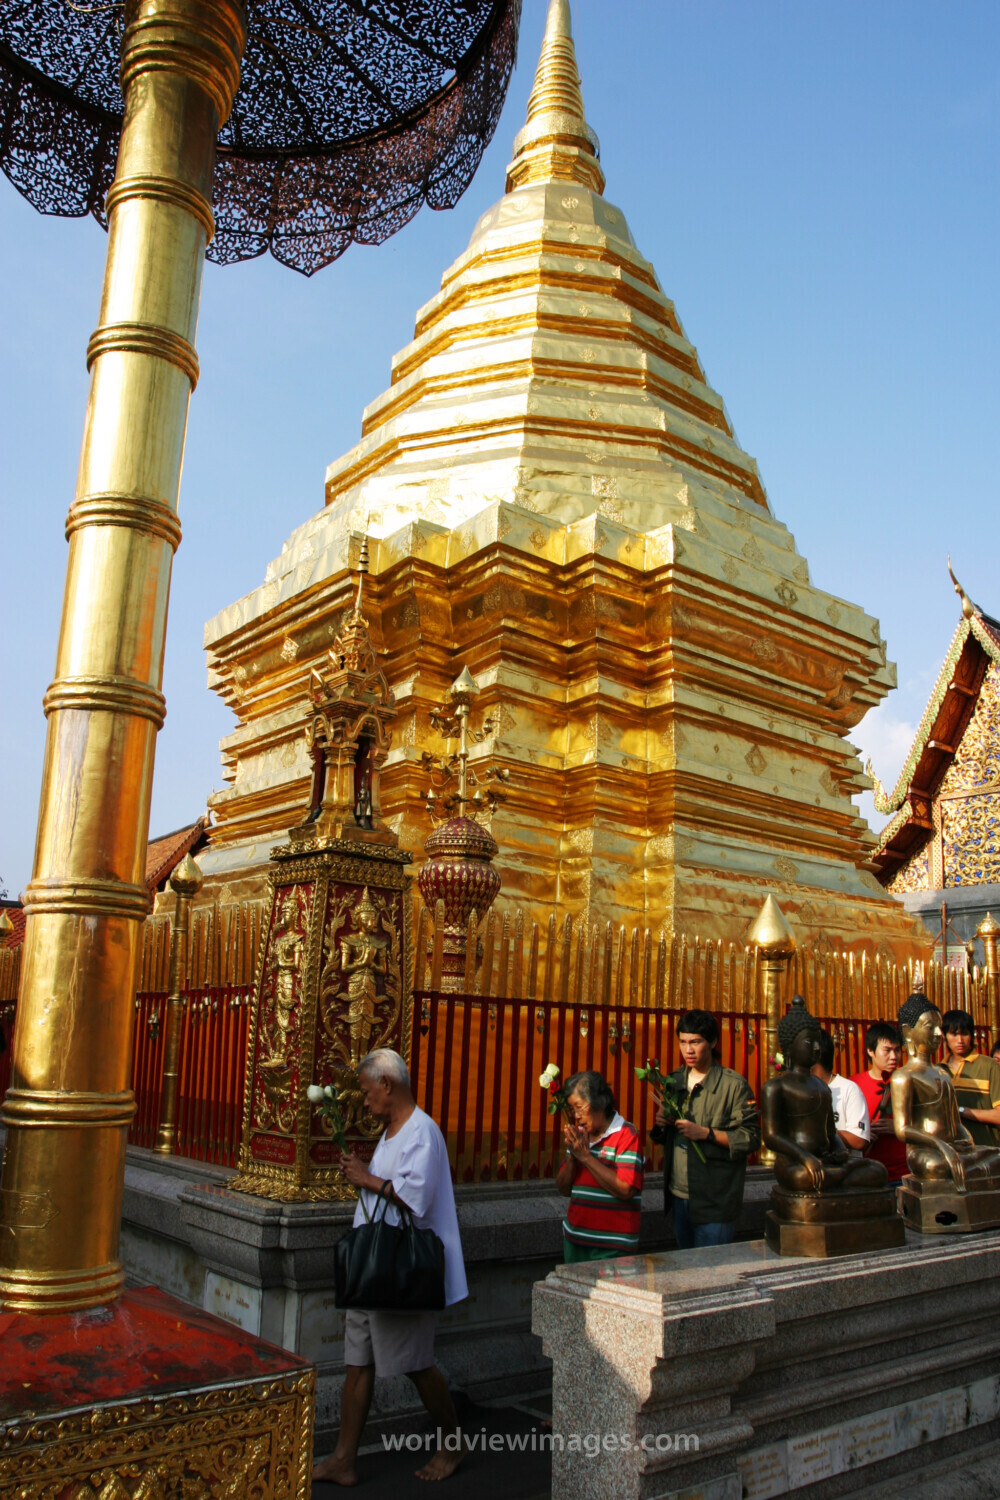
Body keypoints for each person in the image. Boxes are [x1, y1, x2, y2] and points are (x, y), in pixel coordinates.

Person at [312, 1048, 467, 1488]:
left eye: (366, 1091)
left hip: (400, 1269)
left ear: (387, 1085)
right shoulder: (392, 1131)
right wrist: (365, 1178)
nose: (364, 1101)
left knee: (415, 1364)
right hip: (371, 1265)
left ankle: (452, 1441)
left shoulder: (422, 1132)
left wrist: (367, 1178)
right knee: (357, 1362)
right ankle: (344, 1458)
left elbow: (414, 1199)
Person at [649, 1009, 760, 1249]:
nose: (688, 1050)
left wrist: (706, 1133)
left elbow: (750, 1138)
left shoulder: (733, 1086)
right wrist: (661, 1125)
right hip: (678, 1195)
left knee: (712, 1272)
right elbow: (664, 1138)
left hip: (714, 1200)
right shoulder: (674, 1081)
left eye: (695, 1042)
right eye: (683, 1042)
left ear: (712, 1042)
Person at [557, 1070, 644, 1262]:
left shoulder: (626, 1134)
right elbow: (563, 1189)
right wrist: (574, 1156)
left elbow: (626, 1189)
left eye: (579, 1107)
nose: (576, 1116)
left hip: (612, 1246)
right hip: (576, 1240)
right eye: (572, 1110)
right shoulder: (579, 1136)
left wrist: (586, 1158)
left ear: (600, 1102)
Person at [848, 1021, 908, 1186]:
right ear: (870, 1051)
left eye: (897, 1050)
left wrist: (899, 1128)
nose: (894, 1057)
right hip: (866, 1172)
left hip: (904, 1173)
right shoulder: (854, 1085)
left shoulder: (908, 1084)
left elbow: (926, 1126)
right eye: (887, 1051)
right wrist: (860, 1133)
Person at [940, 1007, 1000, 1149]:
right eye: (954, 1034)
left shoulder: (989, 1066)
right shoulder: (937, 1071)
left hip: (985, 1153)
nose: (960, 1040)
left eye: (964, 1034)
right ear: (944, 1036)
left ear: (972, 1035)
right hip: (948, 1155)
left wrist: (961, 1111)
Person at [810, 1029, 870, 1151]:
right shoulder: (796, 1089)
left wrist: (819, 1133)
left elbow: (858, 1140)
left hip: (843, 1166)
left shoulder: (848, 1089)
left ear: (816, 1053)